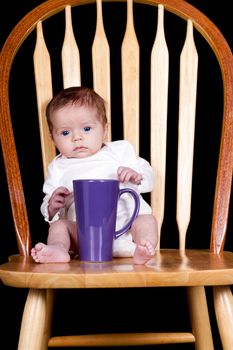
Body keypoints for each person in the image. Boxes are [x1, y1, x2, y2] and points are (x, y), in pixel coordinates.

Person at [31, 86, 158, 265]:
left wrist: (137, 176)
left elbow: (149, 178)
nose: (77, 137)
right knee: (59, 226)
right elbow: (48, 205)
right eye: (65, 133)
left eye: (87, 129)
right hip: (86, 239)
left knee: (147, 220)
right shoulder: (58, 167)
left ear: (104, 128)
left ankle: (144, 249)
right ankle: (59, 249)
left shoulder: (120, 151)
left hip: (129, 232)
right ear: (53, 138)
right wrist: (52, 206)